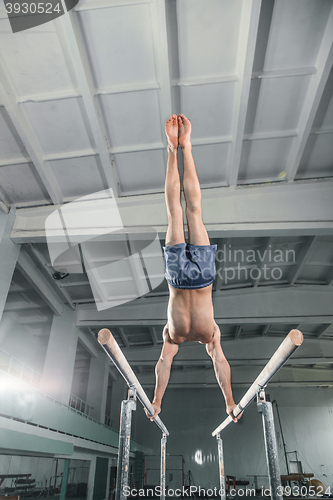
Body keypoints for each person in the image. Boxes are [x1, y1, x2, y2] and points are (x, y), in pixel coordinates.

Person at [146, 114, 241, 424]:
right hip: (185, 277)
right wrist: (228, 400)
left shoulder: (180, 338)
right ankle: (179, 148)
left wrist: (158, 399)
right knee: (183, 212)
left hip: (195, 278)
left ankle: (179, 148)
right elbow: (217, 365)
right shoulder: (187, 336)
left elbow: (165, 365)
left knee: (185, 212)